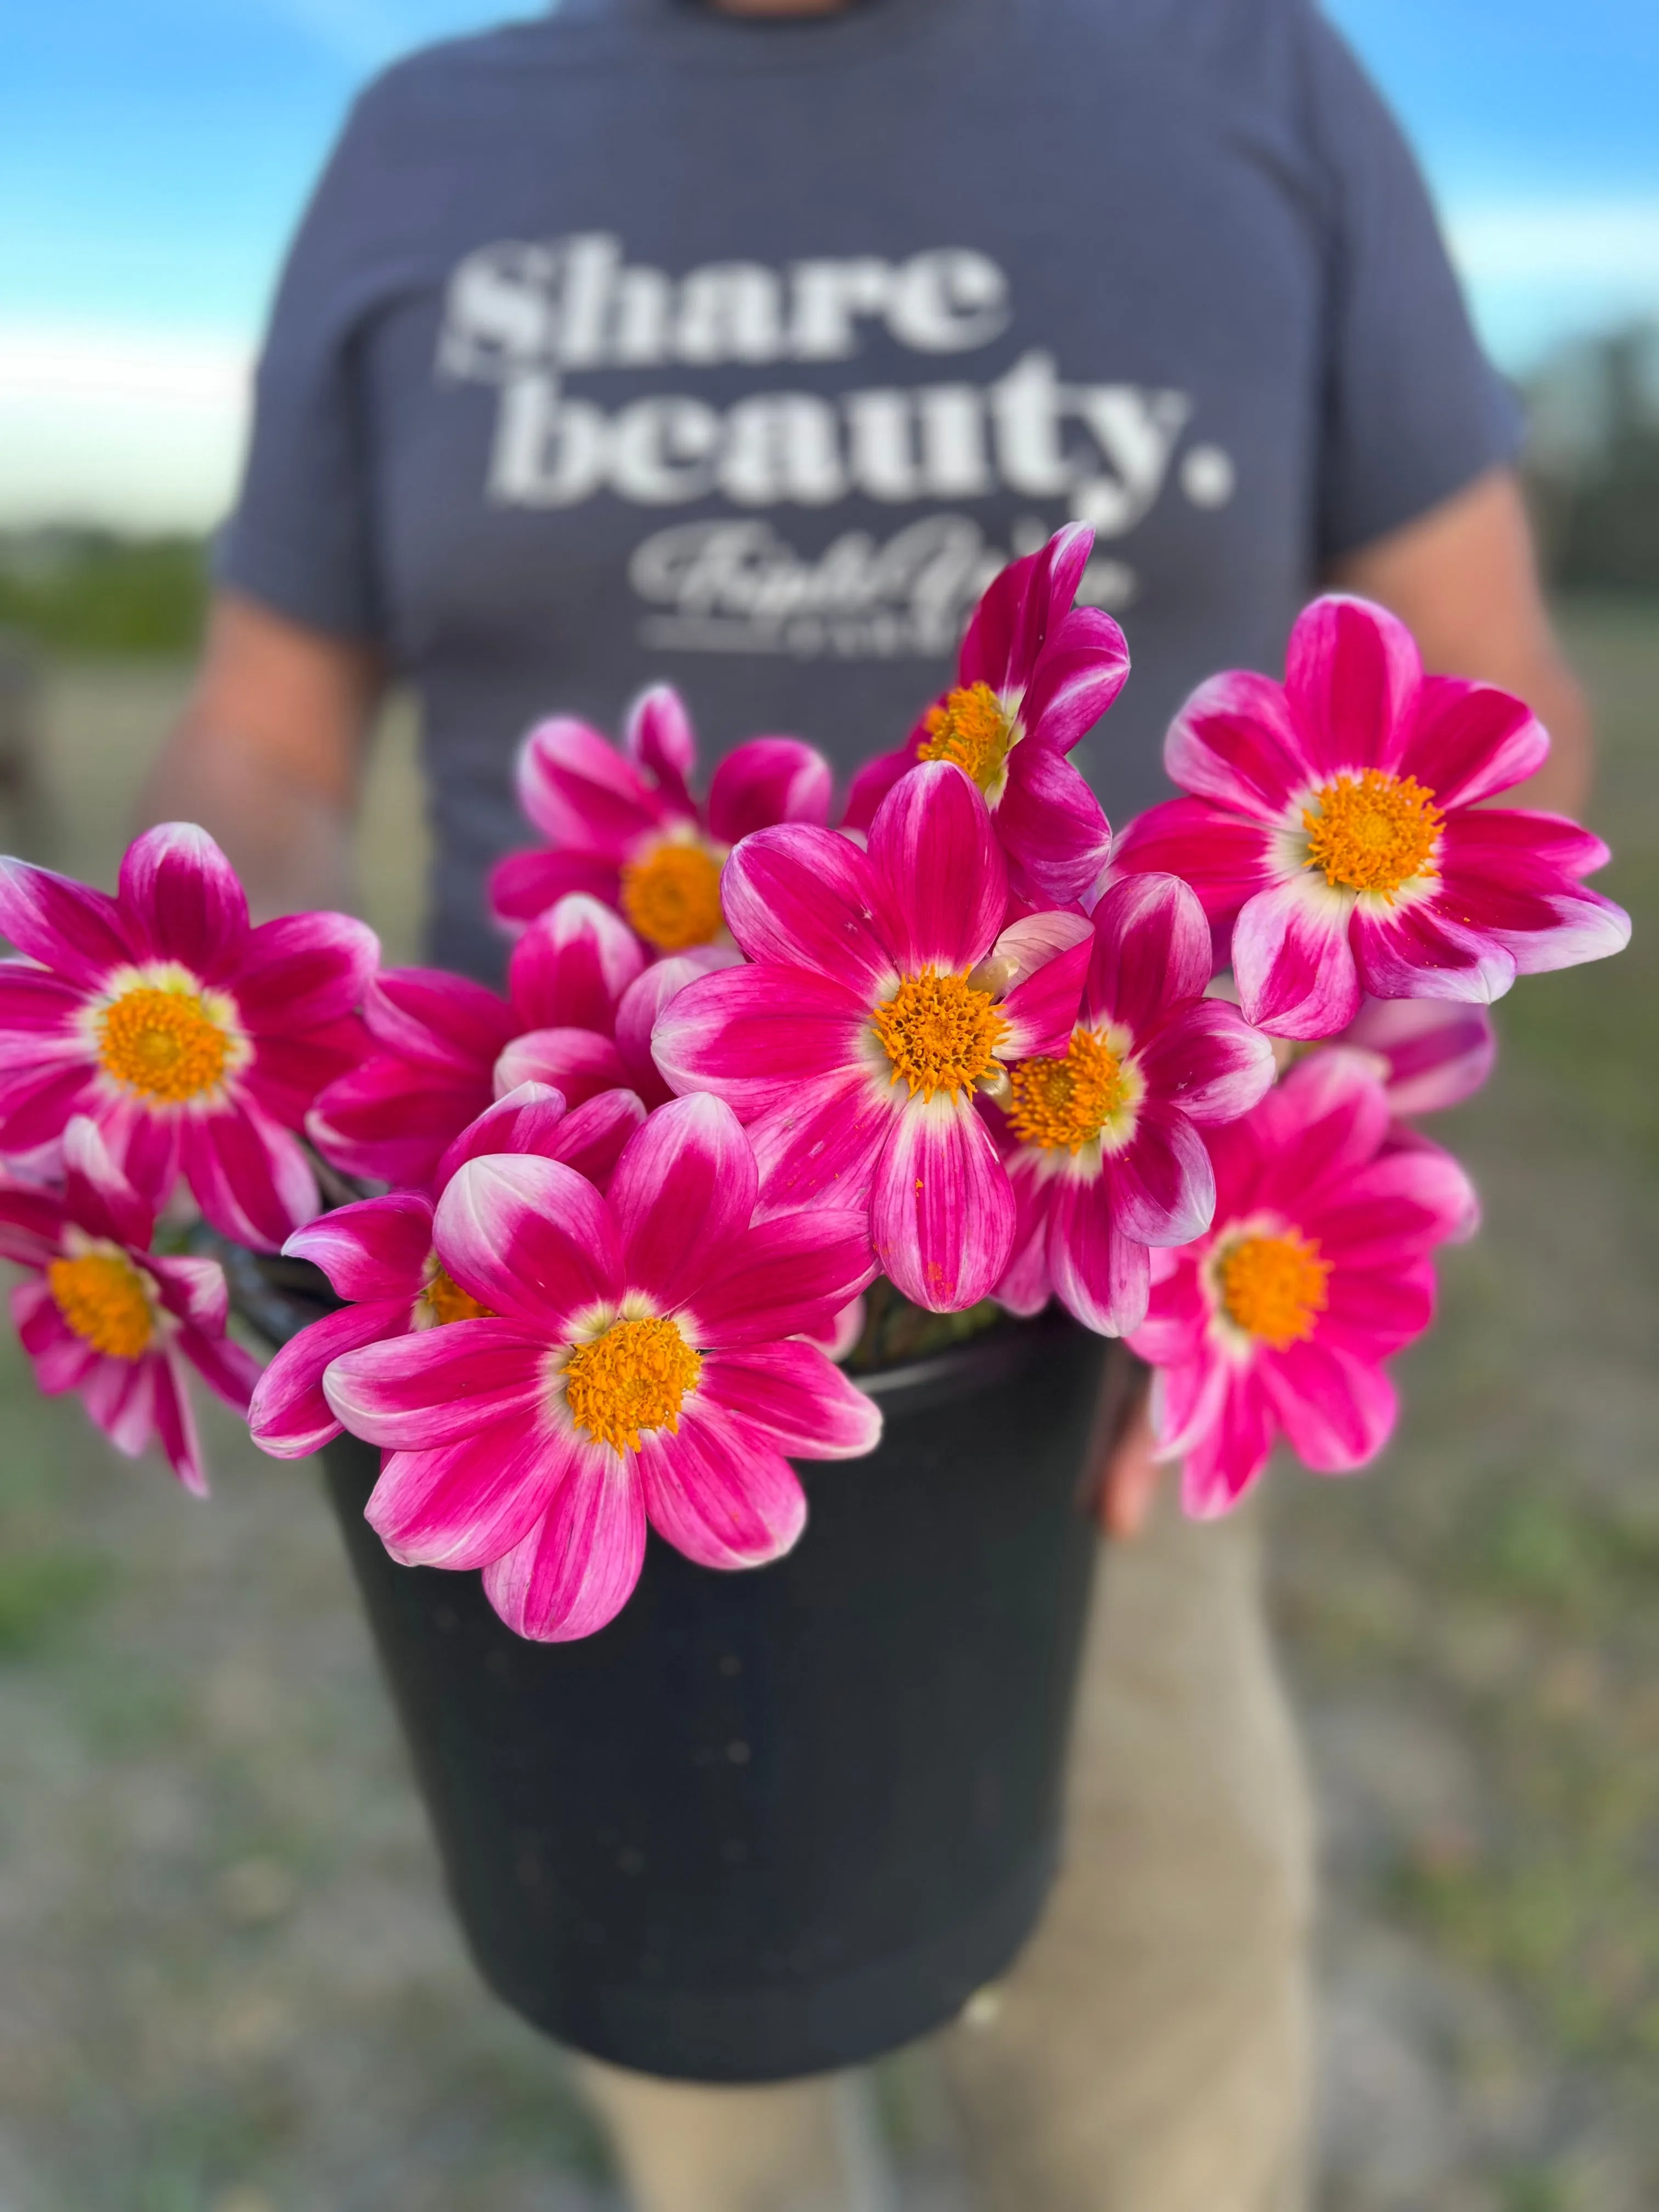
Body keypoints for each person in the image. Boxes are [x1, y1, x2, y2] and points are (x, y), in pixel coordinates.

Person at [147, 1, 1590, 2205]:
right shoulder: (423, 136)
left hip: (1095, 1342)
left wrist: (1231, 1175)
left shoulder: (1254, 75)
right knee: (700, 2085)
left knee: (1154, 2094)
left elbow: (1492, 702)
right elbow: (262, 736)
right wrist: (194, 1078)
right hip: (528, 1256)